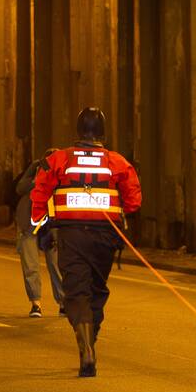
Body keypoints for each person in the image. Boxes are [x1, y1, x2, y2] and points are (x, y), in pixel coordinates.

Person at [30, 107, 142, 377]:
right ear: (102, 132)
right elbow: (134, 200)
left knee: (76, 292)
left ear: (79, 131)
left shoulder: (60, 159)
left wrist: (39, 224)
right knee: (96, 290)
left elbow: (40, 191)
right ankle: (91, 343)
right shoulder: (117, 162)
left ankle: (86, 349)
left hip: (72, 235)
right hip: (105, 237)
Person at [14, 150, 65, 317]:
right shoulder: (36, 167)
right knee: (31, 265)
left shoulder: (65, 173)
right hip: (28, 222)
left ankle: (63, 303)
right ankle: (36, 304)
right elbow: (20, 188)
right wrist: (36, 180)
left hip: (51, 224)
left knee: (56, 264)